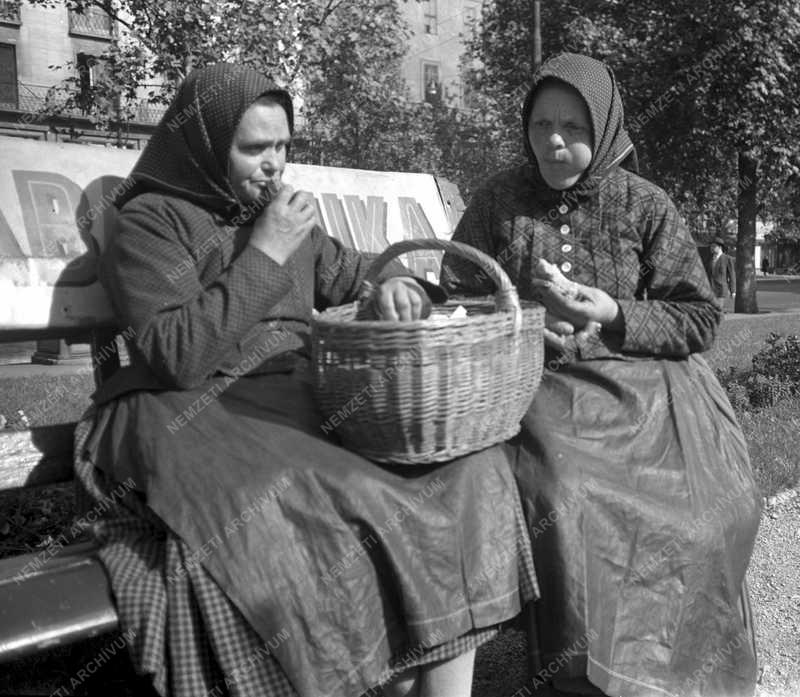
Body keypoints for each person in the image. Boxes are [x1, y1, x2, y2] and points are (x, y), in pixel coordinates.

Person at [72, 63, 538, 697]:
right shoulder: (149, 223)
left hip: (291, 392)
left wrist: (391, 286)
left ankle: (423, 672)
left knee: (460, 473)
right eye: (255, 148)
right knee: (320, 497)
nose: (274, 165)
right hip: (188, 407)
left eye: (283, 146)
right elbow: (178, 355)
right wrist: (265, 251)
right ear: (204, 143)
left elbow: (351, 274)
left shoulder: (278, 212)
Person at [441, 53, 761, 697]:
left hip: (652, 389)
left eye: (573, 126)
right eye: (539, 126)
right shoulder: (497, 201)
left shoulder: (645, 205)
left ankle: (671, 669)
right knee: (567, 493)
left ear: (606, 125)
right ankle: (577, 677)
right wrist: (529, 322)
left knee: (706, 509)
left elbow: (698, 318)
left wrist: (613, 311)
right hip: (539, 386)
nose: (554, 142)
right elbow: (454, 298)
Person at [709, 237, 735, 310]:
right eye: (711, 246)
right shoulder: (710, 259)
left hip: (721, 290)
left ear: (720, 247)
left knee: (718, 309)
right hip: (711, 289)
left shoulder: (727, 259)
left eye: (713, 246)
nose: (711, 248)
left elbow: (732, 275)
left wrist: (733, 291)